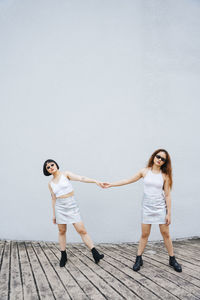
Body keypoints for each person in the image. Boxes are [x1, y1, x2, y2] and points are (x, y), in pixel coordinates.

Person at [102, 149, 182, 272]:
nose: (159, 159)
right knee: (145, 234)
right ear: (154, 157)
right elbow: (127, 180)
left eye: (163, 159)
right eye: (158, 156)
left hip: (160, 208)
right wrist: (111, 184)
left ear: (165, 162)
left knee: (166, 234)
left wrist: (169, 213)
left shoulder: (164, 176)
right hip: (147, 208)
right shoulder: (144, 172)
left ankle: (172, 259)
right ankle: (139, 258)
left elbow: (167, 195)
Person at [43, 159, 104, 267]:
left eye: (52, 164)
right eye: (48, 167)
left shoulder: (66, 174)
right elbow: (53, 199)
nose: (51, 167)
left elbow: (81, 178)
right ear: (47, 171)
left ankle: (95, 253)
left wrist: (95, 181)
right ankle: (63, 255)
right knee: (62, 231)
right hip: (59, 207)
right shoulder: (50, 184)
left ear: (56, 165)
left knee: (82, 230)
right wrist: (54, 215)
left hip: (71, 205)